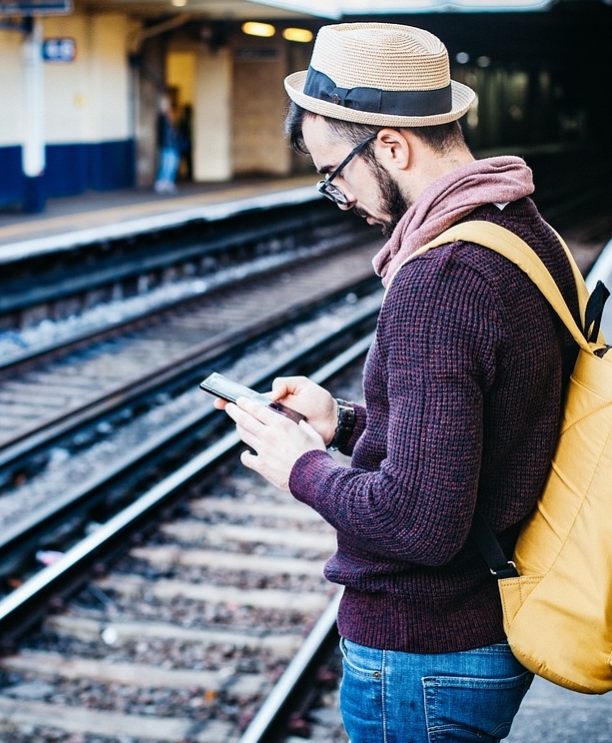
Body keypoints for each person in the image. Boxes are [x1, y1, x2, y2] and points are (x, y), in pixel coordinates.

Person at [217, 23, 580, 742]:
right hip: (481, 624)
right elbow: (490, 425)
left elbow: (417, 520)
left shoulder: (438, 279)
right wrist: (343, 423)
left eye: (335, 173)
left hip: (424, 648)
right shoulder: (522, 229)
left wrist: (302, 468)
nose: (340, 196)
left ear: (390, 145)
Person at [154, 95, 182, 194]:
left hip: (173, 145)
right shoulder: (163, 118)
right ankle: (162, 183)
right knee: (166, 165)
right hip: (167, 145)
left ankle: (168, 182)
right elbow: (162, 133)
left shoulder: (170, 122)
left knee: (172, 165)